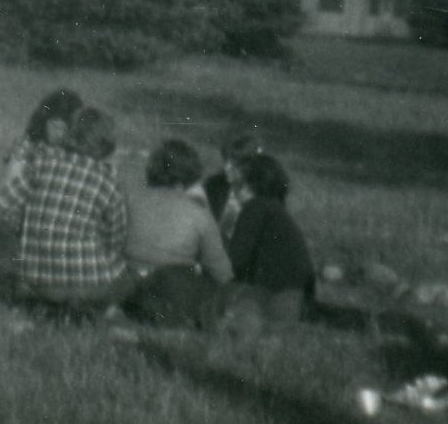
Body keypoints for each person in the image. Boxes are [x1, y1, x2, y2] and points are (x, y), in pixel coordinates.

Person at [0, 104, 132, 312]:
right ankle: (97, 309)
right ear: (107, 145)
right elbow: (117, 240)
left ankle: (51, 306)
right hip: (86, 285)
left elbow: (5, 200)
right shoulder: (108, 182)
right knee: (128, 279)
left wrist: (26, 225)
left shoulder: (42, 164)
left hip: (37, 282)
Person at [121, 139, 233, 329]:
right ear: (191, 174)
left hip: (127, 285)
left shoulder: (130, 199)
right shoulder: (198, 213)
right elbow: (221, 272)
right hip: (173, 290)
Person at [0, 88, 83, 292]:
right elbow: (6, 193)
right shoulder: (28, 147)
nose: (60, 134)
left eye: (66, 129)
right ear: (43, 122)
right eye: (55, 126)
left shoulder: (73, 152)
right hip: (20, 223)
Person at [222, 152, 315, 322]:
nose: (233, 191)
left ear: (250, 185)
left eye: (237, 184)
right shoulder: (274, 208)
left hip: (272, 294)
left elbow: (235, 258)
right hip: (296, 292)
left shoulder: (254, 208)